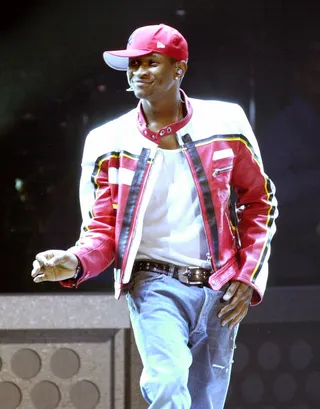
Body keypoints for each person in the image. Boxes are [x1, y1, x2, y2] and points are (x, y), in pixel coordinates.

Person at [31, 23, 278, 409]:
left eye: (151, 62)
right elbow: (101, 232)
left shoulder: (226, 124)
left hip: (220, 287)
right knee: (166, 384)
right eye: (133, 65)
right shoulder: (106, 141)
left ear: (179, 69)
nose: (139, 72)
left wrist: (247, 278)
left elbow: (260, 203)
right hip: (153, 283)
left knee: (204, 402)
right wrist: (75, 261)